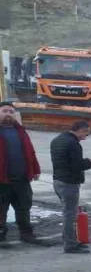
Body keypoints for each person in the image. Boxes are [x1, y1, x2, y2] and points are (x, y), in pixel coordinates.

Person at [50, 120, 91, 254]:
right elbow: (77, 165)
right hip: (69, 183)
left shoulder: (57, 140)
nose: (85, 137)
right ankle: (70, 245)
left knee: (68, 213)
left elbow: (65, 161)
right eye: (86, 133)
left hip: (58, 180)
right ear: (79, 130)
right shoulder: (73, 144)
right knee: (69, 215)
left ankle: (70, 240)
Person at [0, 101, 42, 246]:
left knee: (24, 208)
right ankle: (1, 236)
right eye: (5, 111)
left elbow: (30, 152)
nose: (8, 114)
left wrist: (35, 169)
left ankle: (26, 234)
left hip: (22, 180)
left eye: (11, 112)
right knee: (1, 211)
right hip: (1, 181)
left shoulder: (20, 131)